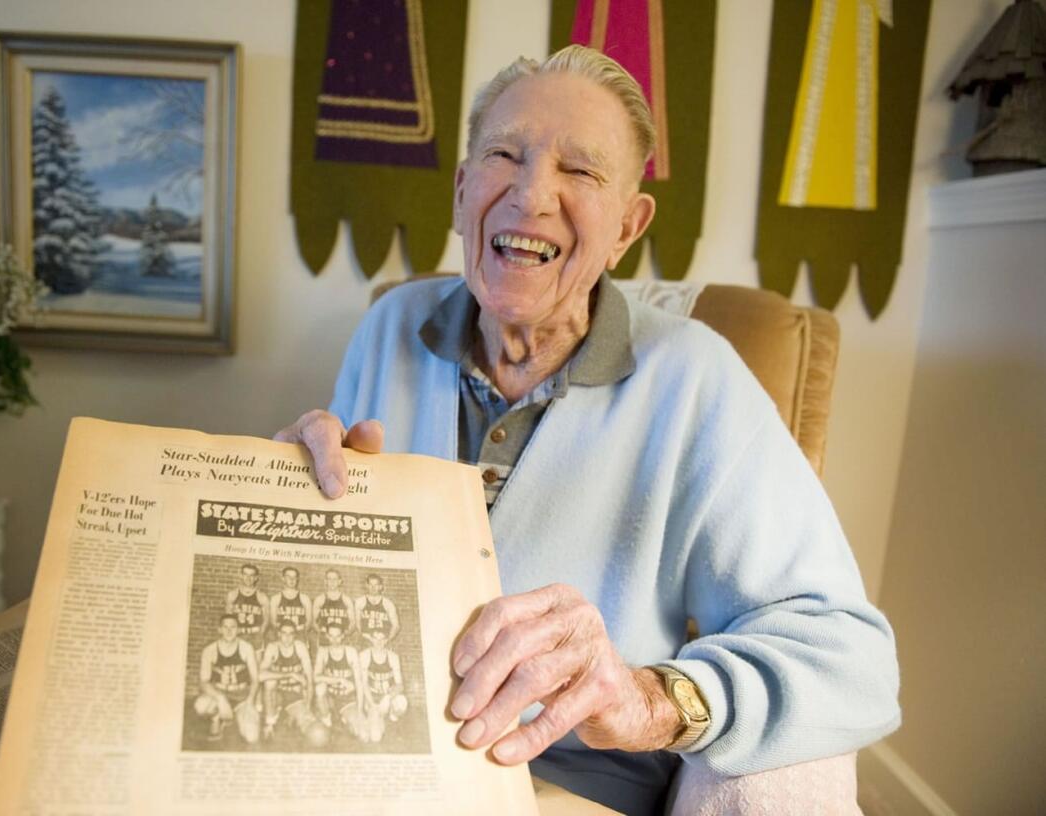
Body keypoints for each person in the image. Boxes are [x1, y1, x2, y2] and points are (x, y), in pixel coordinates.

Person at [275, 44, 899, 814]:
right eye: (505, 154)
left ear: (627, 229)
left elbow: (851, 656)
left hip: (557, 786)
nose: (532, 194)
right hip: (361, 763)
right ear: (463, 189)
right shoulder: (390, 328)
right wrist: (290, 508)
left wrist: (651, 698)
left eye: (580, 171)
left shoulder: (698, 379)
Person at [194, 615, 260, 744]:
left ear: (238, 630)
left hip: (241, 695)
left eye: (233, 627)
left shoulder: (246, 648)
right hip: (220, 691)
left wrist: (250, 701)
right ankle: (216, 717)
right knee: (200, 706)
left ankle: (236, 716)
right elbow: (203, 682)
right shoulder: (209, 650)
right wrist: (220, 698)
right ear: (219, 629)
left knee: (252, 737)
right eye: (225, 627)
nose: (229, 631)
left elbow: (255, 680)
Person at [258, 621, 314, 740]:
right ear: (279, 634)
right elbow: (260, 675)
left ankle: (289, 714)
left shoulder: (300, 647)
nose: (287, 637)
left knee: (312, 729)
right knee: (269, 682)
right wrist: (290, 674)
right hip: (277, 693)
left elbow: (309, 679)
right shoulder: (272, 647)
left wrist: (308, 706)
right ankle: (270, 722)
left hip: (294, 693)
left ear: (295, 635)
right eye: (284, 633)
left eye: (291, 634)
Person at [313, 622, 369, 742]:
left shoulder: (350, 652)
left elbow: (359, 683)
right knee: (320, 688)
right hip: (330, 698)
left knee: (364, 735)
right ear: (327, 636)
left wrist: (360, 711)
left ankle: (344, 719)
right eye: (331, 636)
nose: (334, 640)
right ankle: (327, 720)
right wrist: (339, 679)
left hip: (346, 699)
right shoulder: (323, 651)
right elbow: (316, 677)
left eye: (338, 636)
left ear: (343, 636)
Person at [361, 631, 408, 744]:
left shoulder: (393, 657)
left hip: (387, 697)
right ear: (371, 639)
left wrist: (388, 697)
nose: (379, 642)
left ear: (386, 640)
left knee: (402, 702)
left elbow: (400, 685)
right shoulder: (364, 655)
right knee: (375, 737)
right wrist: (372, 704)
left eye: (382, 639)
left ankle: (392, 718)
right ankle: (377, 718)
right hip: (371, 697)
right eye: (376, 638)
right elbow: (363, 684)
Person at [224, 563, 268, 650]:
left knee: (255, 663)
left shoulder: (262, 597)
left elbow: (266, 620)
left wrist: (260, 634)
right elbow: (228, 619)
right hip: (237, 634)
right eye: (245, 574)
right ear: (241, 576)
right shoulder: (232, 595)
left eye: (251, 575)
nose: (248, 578)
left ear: (256, 578)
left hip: (254, 635)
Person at [311, 567, 358, 644]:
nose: (332, 582)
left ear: (340, 581)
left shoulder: (346, 600)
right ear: (325, 581)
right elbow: (314, 622)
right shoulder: (319, 599)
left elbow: (353, 622)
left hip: (342, 638)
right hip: (325, 637)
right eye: (329, 579)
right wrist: (323, 634)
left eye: (335, 579)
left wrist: (345, 634)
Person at [270, 566, 313, 637]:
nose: (292, 579)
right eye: (288, 577)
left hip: (299, 634)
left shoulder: (305, 598)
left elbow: (309, 622)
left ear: (297, 579)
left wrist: (301, 634)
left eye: (294, 577)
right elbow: (273, 622)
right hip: (282, 636)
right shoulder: (275, 598)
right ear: (283, 578)